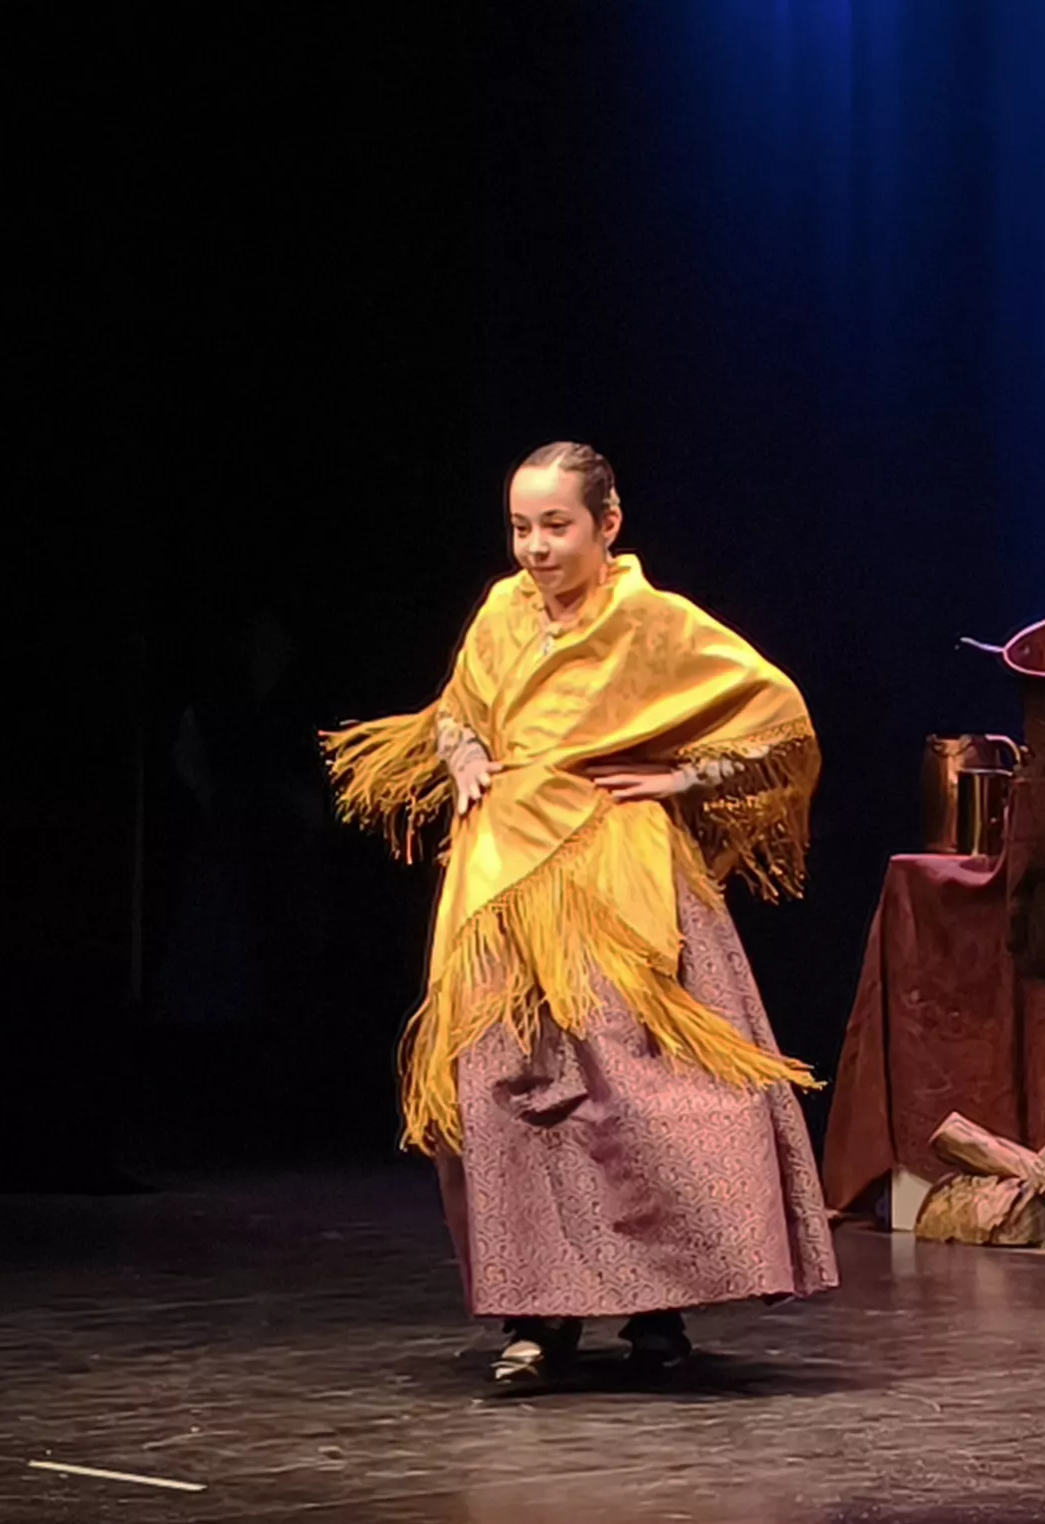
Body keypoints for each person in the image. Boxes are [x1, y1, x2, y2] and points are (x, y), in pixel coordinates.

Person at [323, 441, 839, 1382]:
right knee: (507, 1096)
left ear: (608, 524)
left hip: (610, 877)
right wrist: (463, 752)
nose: (534, 548)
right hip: (498, 886)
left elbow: (778, 716)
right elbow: (458, 709)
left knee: (639, 1093)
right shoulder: (501, 612)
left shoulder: (653, 622)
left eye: (555, 526)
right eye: (520, 527)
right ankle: (536, 1316)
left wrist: (683, 772)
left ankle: (658, 1309)